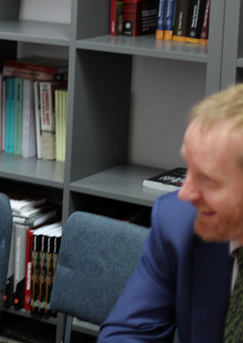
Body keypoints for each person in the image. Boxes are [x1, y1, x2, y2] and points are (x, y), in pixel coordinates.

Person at [98, 83, 243, 342]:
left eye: (207, 178)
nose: (185, 194)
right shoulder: (179, 222)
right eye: (188, 168)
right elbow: (128, 333)